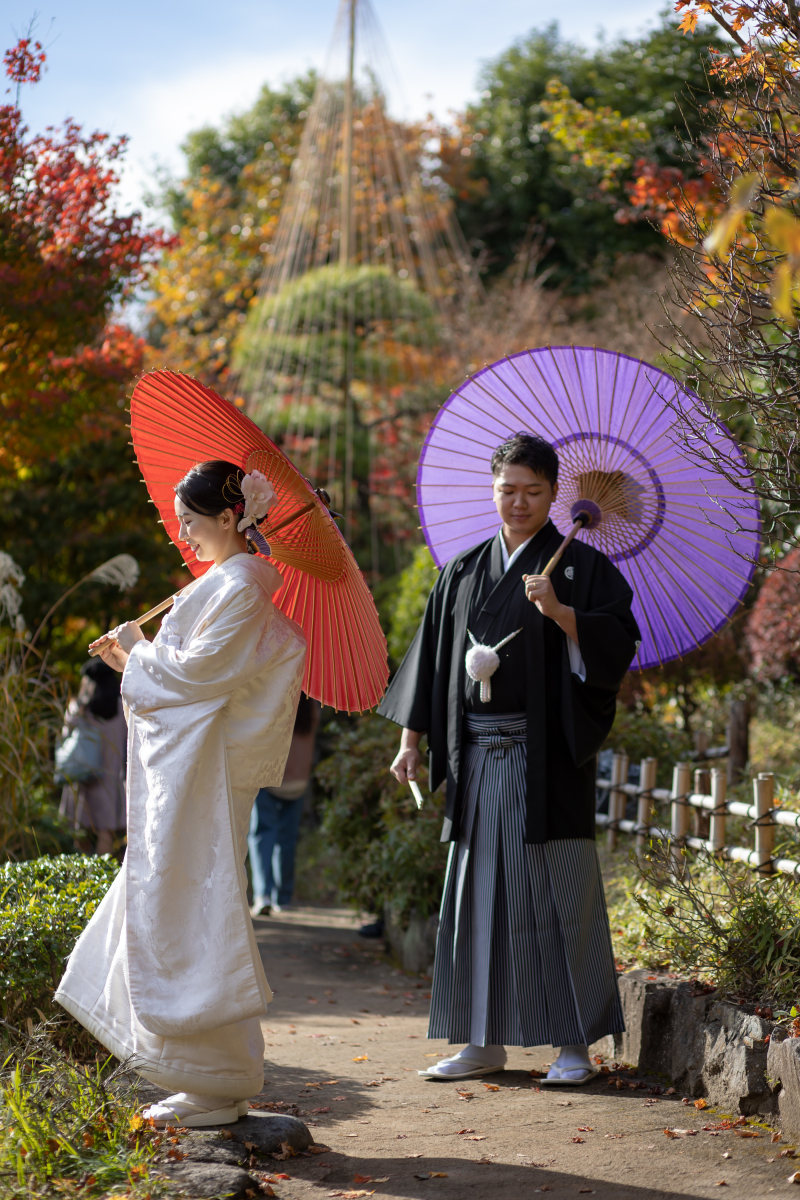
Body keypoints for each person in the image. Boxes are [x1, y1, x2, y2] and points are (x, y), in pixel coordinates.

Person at [378, 432, 640, 1085]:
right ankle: (480, 1040)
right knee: (478, 898)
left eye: (532, 491)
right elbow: (431, 664)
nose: (518, 502)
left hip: (545, 760)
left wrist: (562, 613)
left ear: (555, 494)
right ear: (492, 490)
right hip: (475, 760)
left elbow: (615, 647)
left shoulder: (581, 569)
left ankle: (574, 1046)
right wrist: (410, 742)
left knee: (559, 898)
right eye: (507, 490)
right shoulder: (463, 571)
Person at [55, 460, 307, 1127]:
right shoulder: (226, 582)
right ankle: (209, 1075)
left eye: (193, 522)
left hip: (207, 773)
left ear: (230, 518)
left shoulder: (244, 588)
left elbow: (200, 677)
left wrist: (137, 652)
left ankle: (217, 1081)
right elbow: (187, 676)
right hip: (195, 770)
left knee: (198, 906)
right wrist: (133, 658)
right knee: (174, 900)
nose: (185, 535)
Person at [249, 693, 320, 916]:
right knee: (287, 839)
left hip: (269, 780)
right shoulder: (311, 709)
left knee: (262, 834)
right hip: (298, 781)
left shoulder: (273, 702)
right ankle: (284, 897)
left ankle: (263, 895)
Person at [59, 658, 127, 857]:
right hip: (111, 776)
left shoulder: (79, 707)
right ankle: (102, 879)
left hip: (84, 775)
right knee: (105, 832)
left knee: (81, 832)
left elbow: (66, 736)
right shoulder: (121, 707)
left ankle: (83, 881)